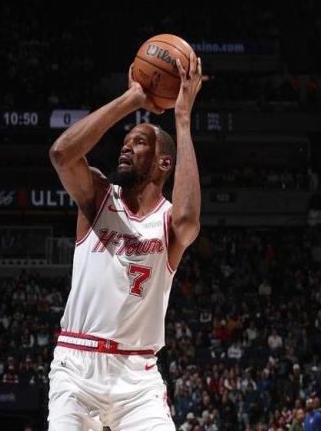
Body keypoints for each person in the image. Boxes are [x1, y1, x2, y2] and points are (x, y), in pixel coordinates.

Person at [47, 51, 202, 431]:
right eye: (126, 141)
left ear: (164, 163)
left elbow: (188, 221)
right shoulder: (98, 196)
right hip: (77, 366)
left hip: (137, 377)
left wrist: (182, 119)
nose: (126, 147)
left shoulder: (168, 221)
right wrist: (131, 100)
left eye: (139, 142)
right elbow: (62, 154)